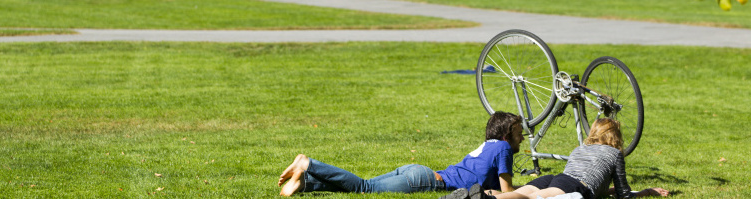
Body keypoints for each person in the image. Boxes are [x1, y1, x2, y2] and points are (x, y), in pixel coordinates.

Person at [277, 111, 524, 196]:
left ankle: (306, 183)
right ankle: (309, 164)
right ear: (507, 133)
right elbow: (506, 193)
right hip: (427, 182)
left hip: (419, 174)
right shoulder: (502, 148)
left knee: (366, 187)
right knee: (365, 188)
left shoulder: (489, 146)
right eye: (519, 132)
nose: (522, 138)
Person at [485, 118, 669, 199]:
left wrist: (609, 191)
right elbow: (624, 194)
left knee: (518, 194)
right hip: (575, 186)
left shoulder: (581, 148)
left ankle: (482, 194)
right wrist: (646, 192)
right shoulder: (615, 154)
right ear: (616, 137)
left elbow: (602, 188)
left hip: (557, 179)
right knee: (532, 198)